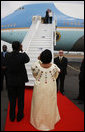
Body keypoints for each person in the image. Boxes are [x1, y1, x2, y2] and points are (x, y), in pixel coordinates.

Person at [30, 49, 61, 131]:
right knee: (50, 103)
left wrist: (38, 59)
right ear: (51, 57)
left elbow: (34, 73)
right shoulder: (54, 67)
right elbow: (56, 74)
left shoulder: (36, 65)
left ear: (41, 57)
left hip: (39, 87)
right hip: (51, 87)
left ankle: (38, 121)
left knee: (38, 103)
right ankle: (49, 120)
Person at [5, 41, 30, 122]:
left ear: (12, 47)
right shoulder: (22, 56)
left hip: (10, 82)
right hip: (20, 82)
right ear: (19, 47)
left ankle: (12, 117)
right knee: (20, 100)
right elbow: (27, 60)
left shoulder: (7, 55)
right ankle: (19, 116)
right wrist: (22, 50)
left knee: (12, 100)